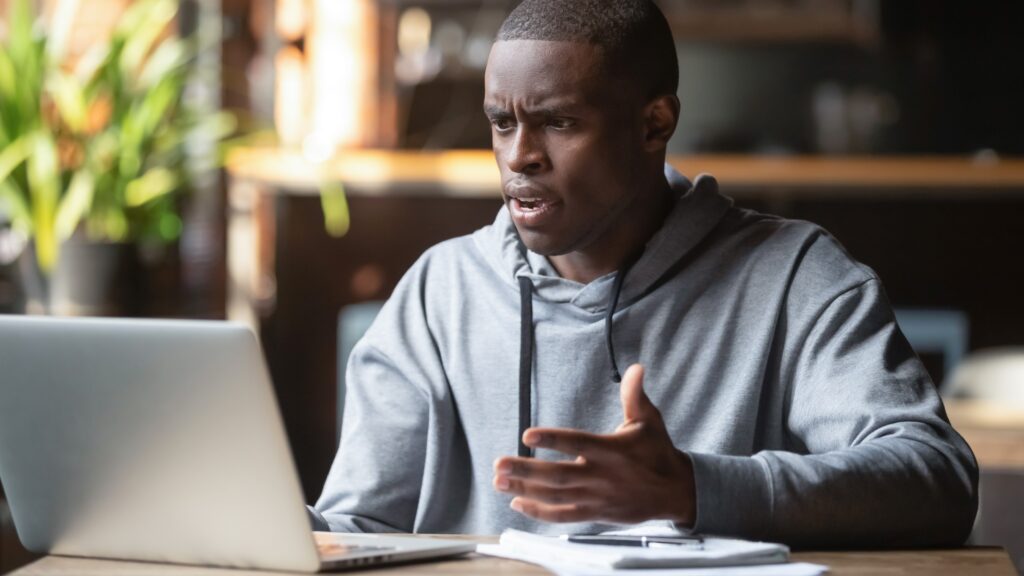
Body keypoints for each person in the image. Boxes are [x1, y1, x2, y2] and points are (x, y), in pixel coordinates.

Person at [311, 0, 978, 547]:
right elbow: (357, 528)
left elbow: (936, 479)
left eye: (559, 122)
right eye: (500, 122)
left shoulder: (794, 275)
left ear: (654, 123)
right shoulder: (441, 290)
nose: (519, 156)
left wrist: (692, 488)